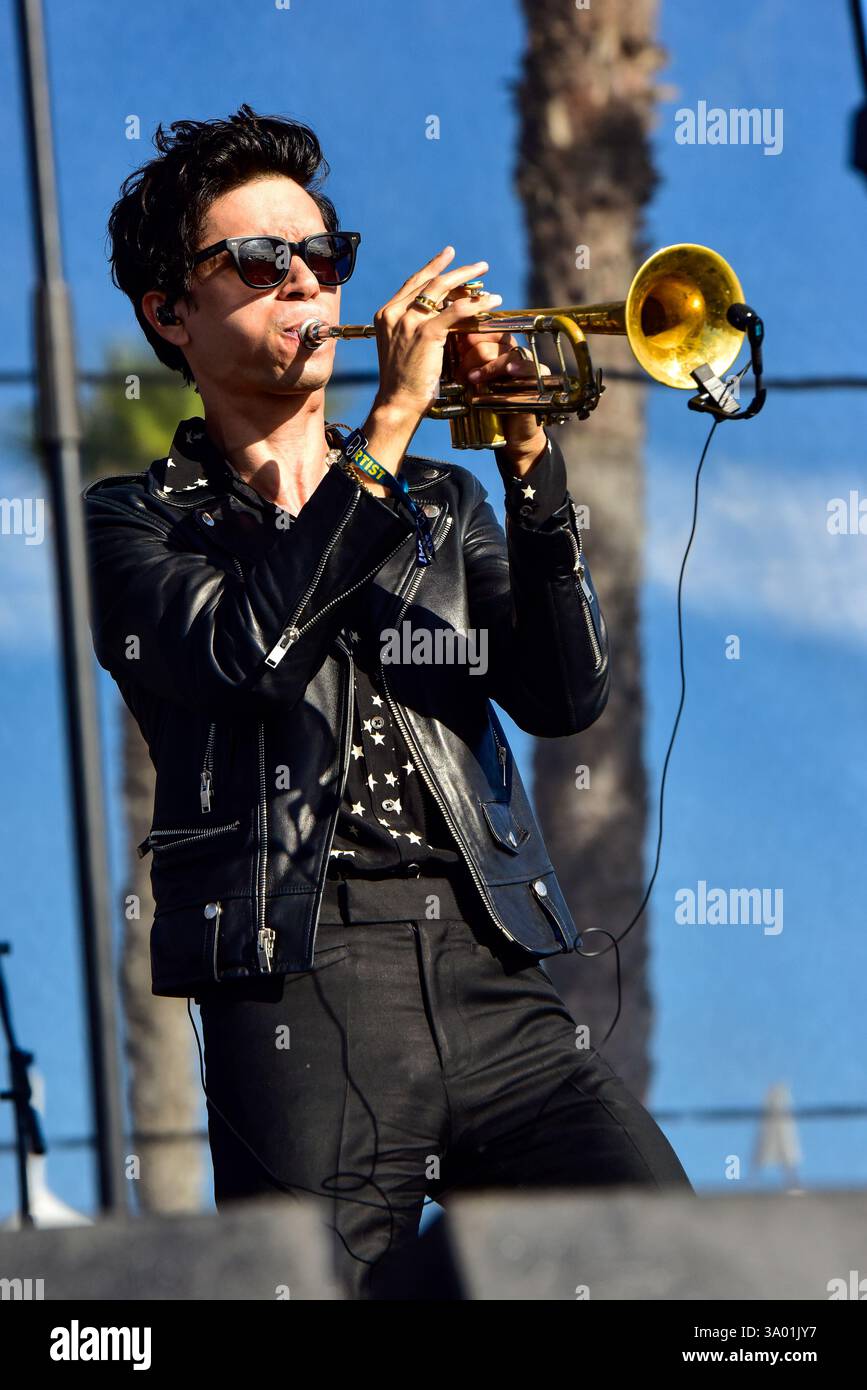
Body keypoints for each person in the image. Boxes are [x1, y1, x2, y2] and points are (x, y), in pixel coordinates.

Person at [84, 103, 693, 1300]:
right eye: (260, 263)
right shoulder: (140, 521)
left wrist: (525, 458)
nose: (305, 282)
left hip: (493, 966)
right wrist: (395, 417)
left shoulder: (443, 505)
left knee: (662, 1261)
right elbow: (247, 650)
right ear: (168, 310)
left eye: (325, 255)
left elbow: (565, 695)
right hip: (298, 979)